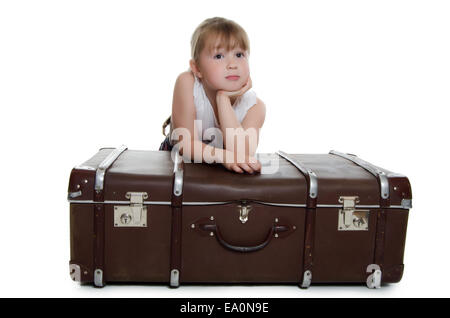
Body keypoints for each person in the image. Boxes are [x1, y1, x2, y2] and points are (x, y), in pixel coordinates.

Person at [159, 17, 266, 174]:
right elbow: (185, 144)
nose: (232, 64)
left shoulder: (255, 107)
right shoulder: (187, 83)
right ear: (197, 69)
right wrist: (224, 157)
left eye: (239, 54)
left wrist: (223, 99)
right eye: (219, 56)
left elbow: (242, 155)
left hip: (217, 175)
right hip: (180, 167)